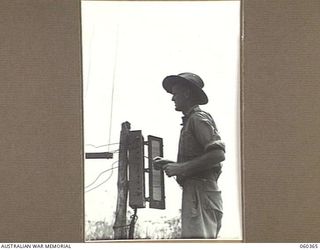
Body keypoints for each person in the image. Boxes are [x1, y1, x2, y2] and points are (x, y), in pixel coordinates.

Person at [153, 72, 226, 239]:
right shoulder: (190, 120)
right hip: (197, 191)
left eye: (175, 94)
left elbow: (218, 154)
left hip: (201, 192)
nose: (173, 99)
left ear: (186, 93)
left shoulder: (197, 118)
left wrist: (180, 168)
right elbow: (203, 158)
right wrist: (170, 163)